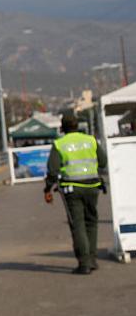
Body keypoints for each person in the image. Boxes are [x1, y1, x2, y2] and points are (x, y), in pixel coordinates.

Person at [44, 113, 108, 274]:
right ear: (77, 125)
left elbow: (53, 170)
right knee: (91, 222)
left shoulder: (59, 144)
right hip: (92, 186)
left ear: (62, 128)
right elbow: (103, 162)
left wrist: (48, 188)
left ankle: (84, 263)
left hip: (72, 189)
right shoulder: (90, 140)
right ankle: (92, 260)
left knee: (77, 224)